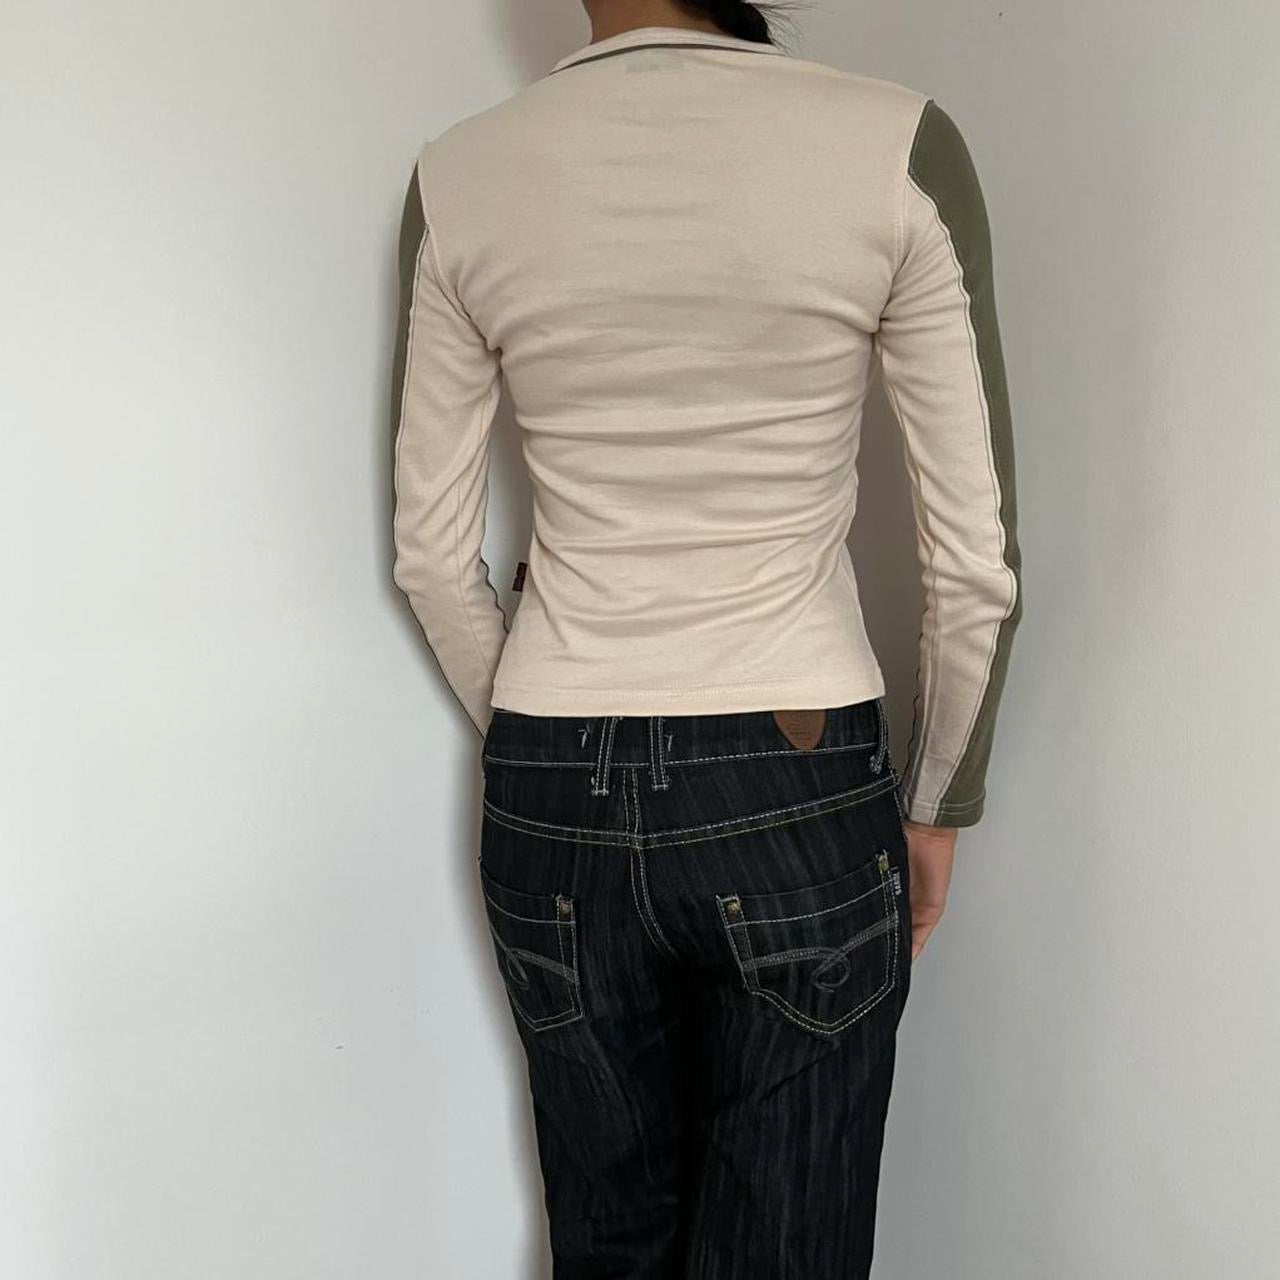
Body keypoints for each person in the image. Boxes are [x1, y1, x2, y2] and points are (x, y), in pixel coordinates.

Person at [390, 0, 1022, 1274]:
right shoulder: (893, 146)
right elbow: (970, 564)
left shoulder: (460, 177)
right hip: (794, 777)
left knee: (607, 1235)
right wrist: (936, 801)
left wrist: (552, 735)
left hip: (550, 782)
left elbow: (431, 558)